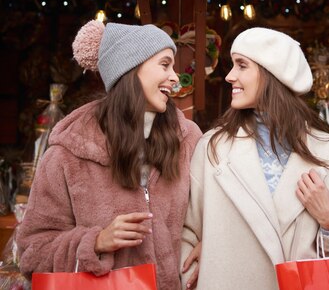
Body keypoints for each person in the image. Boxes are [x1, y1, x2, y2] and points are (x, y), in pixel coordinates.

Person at [17, 20, 202, 290]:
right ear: (130, 69)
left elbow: (216, 212)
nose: (174, 77)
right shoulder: (69, 152)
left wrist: (212, 242)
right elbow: (32, 254)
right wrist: (96, 243)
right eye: (164, 65)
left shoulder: (187, 140)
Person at [181, 27, 329, 290]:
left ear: (272, 74)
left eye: (242, 65)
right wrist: (199, 273)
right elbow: (186, 231)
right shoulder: (213, 148)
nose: (230, 76)